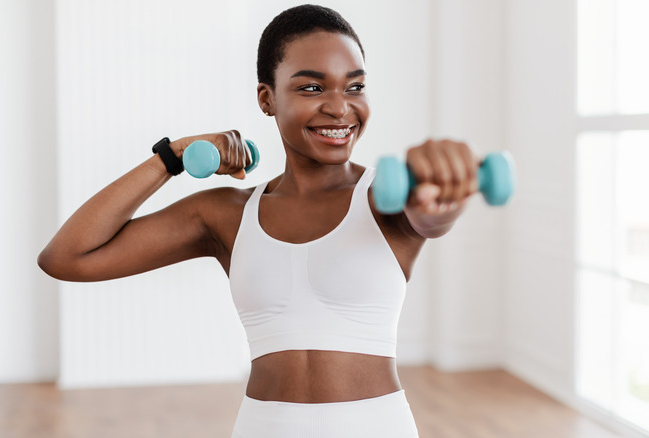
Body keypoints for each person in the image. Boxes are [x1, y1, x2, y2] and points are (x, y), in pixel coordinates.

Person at [38, 4, 479, 437]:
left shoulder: (388, 198)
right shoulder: (226, 214)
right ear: (267, 99)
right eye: (311, 88)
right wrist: (171, 157)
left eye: (355, 86)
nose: (339, 108)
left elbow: (432, 215)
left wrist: (445, 192)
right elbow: (67, 257)